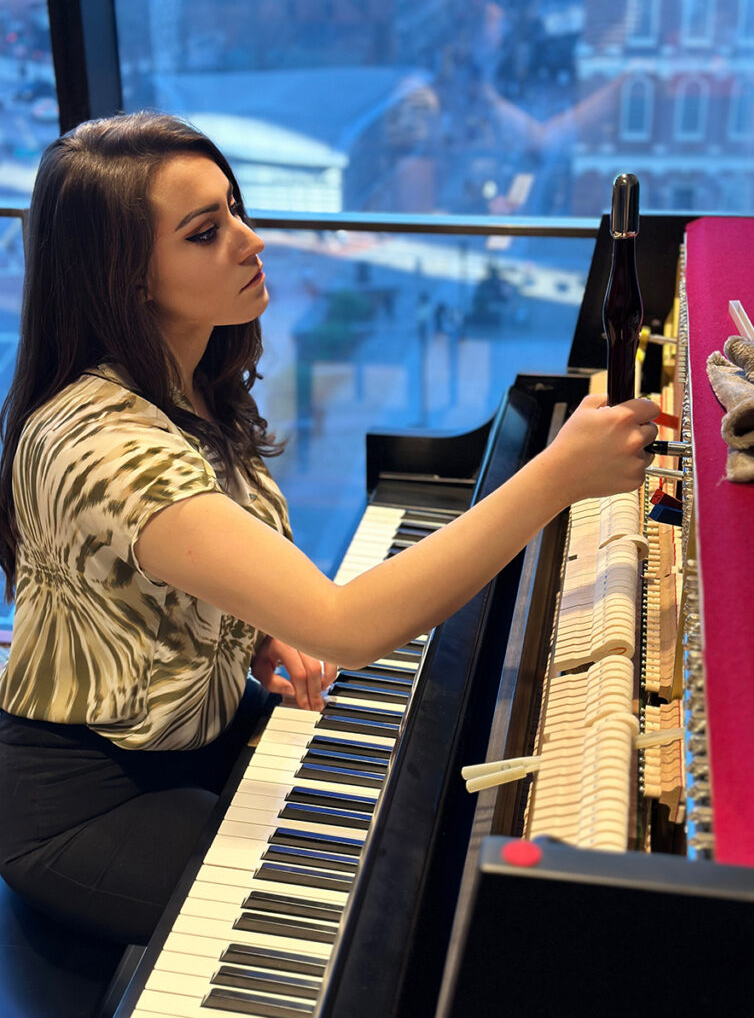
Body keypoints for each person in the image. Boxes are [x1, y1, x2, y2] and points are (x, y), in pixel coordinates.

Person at [0, 111, 658, 947]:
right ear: (127, 277)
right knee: (356, 928)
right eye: (207, 233)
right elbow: (348, 629)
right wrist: (558, 475)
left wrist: (246, 629)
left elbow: (154, 579)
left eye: (236, 210)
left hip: (188, 732)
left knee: (400, 834)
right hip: (85, 800)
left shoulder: (184, 375)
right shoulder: (106, 447)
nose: (252, 241)